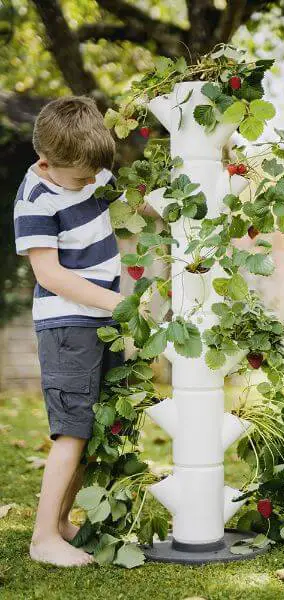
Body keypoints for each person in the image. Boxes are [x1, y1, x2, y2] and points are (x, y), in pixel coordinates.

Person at [13, 96, 125, 566]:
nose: (90, 184)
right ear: (46, 162)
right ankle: (42, 538)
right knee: (72, 431)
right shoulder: (34, 199)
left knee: (94, 427)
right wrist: (121, 303)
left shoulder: (93, 169)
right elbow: (50, 275)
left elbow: (129, 201)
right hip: (66, 324)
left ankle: (59, 522)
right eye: (80, 179)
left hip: (101, 320)